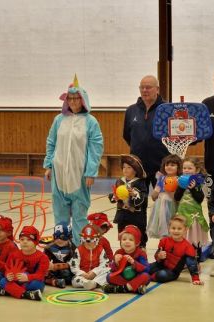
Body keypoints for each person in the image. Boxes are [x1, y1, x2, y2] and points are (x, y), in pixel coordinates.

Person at [43, 75, 104, 246]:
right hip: (59, 174)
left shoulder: (90, 122)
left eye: (76, 98)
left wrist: (91, 172)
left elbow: (96, 148)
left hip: (80, 175)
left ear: (83, 100)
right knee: (60, 214)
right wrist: (48, 165)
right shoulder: (59, 120)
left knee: (79, 215)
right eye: (70, 98)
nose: (73, 101)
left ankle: (79, 249)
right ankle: (61, 249)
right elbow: (51, 142)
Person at [123, 75, 169, 189]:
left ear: (157, 89)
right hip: (137, 167)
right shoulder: (131, 110)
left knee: (163, 203)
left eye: (148, 87)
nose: (144, 90)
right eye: (142, 87)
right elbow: (127, 135)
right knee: (137, 203)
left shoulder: (167, 109)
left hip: (162, 167)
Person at [0, 226, 49, 301]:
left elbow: (41, 275)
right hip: (16, 281)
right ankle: (26, 294)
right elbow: (7, 269)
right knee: (3, 281)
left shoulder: (43, 257)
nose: (25, 242)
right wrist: (8, 275)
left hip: (31, 282)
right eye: (22, 239)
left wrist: (28, 277)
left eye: (29, 240)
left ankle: (8, 291)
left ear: (35, 242)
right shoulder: (14, 254)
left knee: (37, 285)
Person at [150, 215, 203, 285]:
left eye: (179, 229)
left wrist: (195, 278)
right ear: (169, 228)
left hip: (172, 272)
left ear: (185, 230)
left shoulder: (188, 247)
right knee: (146, 267)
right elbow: (157, 255)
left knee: (162, 275)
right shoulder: (164, 241)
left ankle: (148, 277)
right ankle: (145, 274)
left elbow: (192, 264)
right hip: (159, 265)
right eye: (173, 228)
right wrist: (159, 256)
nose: (176, 231)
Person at [109, 154, 149, 247]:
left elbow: (143, 197)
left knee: (138, 232)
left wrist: (135, 194)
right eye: (123, 167)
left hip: (136, 216)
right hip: (122, 214)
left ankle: (140, 248)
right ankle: (123, 248)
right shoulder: (119, 181)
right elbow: (114, 195)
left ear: (136, 169)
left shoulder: (140, 182)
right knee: (123, 231)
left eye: (129, 167)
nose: (125, 169)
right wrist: (115, 196)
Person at [174, 156, 209, 260]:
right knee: (182, 238)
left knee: (194, 239)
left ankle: (196, 259)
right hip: (182, 216)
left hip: (194, 217)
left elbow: (199, 199)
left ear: (196, 170)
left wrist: (193, 189)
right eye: (185, 168)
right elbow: (176, 198)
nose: (186, 170)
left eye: (190, 168)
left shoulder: (199, 183)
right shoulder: (180, 182)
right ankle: (183, 259)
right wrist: (181, 187)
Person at [103, 225, 150, 294]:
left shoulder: (141, 253)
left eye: (131, 240)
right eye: (124, 239)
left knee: (146, 276)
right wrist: (115, 262)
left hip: (136, 277)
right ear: (120, 241)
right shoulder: (118, 252)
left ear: (137, 243)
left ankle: (120, 289)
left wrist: (134, 263)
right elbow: (113, 270)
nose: (127, 242)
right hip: (123, 279)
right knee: (109, 277)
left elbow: (147, 269)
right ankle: (133, 288)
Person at [147, 154, 182, 238]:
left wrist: (170, 190)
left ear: (178, 167)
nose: (169, 167)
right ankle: (163, 245)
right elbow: (153, 197)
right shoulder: (161, 178)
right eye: (167, 165)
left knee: (171, 227)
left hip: (171, 206)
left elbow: (178, 199)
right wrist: (157, 190)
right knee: (161, 227)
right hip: (159, 207)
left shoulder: (179, 180)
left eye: (172, 165)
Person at [70, 223, 110, 290]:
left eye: (91, 239)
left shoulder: (100, 249)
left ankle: (94, 283)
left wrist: (94, 272)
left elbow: (105, 264)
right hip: (83, 276)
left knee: (108, 272)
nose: (88, 242)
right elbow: (74, 266)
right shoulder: (79, 250)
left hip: (96, 275)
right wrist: (83, 274)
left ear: (97, 239)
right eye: (85, 239)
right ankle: (87, 283)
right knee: (75, 280)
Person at [44, 222, 76, 288]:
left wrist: (57, 266)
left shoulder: (72, 248)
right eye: (56, 237)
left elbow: (73, 264)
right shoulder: (49, 247)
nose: (59, 240)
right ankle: (55, 281)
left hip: (66, 270)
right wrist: (47, 265)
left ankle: (54, 281)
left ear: (69, 237)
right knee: (41, 272)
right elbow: (43, 260)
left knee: (66, 274)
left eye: (63, 238)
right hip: (53, 271)